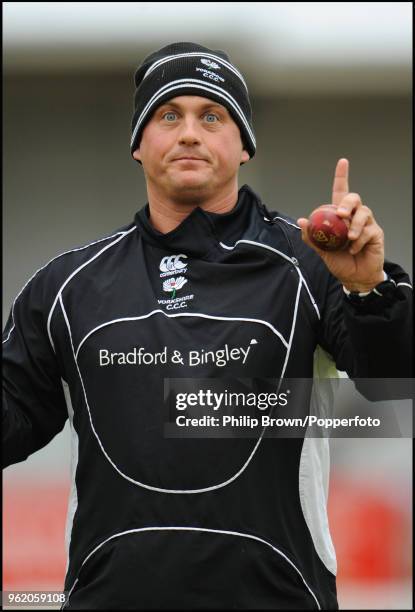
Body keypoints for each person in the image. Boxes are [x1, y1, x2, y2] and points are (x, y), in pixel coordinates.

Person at [3, 41, 412, 610]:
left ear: (244, 145)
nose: (190, 133)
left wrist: (367, 288)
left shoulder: (316, 266)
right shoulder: (68, 287)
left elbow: (394, 380)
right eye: (169, 115)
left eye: (212, 116)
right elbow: (13, 417)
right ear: (138, 144)